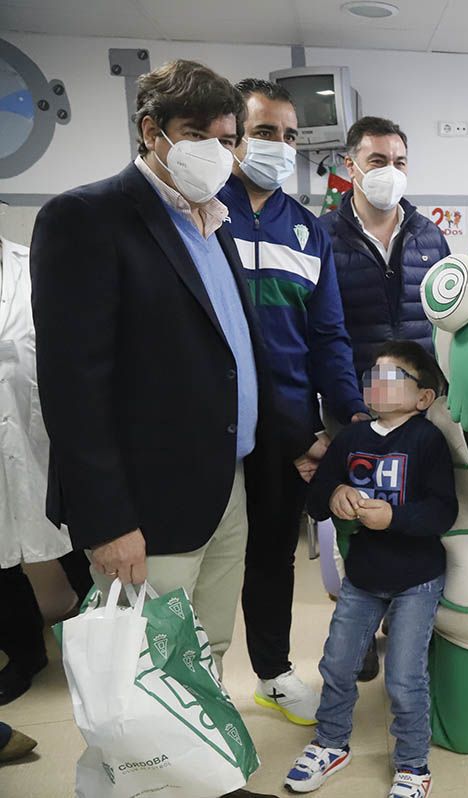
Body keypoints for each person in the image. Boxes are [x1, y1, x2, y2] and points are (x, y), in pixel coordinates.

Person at [30, 60, 310, 798]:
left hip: (229, 483)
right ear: (152, 132)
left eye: (226, 138)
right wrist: (108, 521)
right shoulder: (86, 218)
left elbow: (228, 355)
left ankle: (202, 778)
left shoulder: (210, 220)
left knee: (204, 653)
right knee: (142, 672)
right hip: (148, 510)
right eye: (197, 136)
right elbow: (72, 386)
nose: (217, 153)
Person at [219, 77, 371, 726]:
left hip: (286, 430)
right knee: (205, 563)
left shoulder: (307, 232)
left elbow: (328, 337)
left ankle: (273, 672)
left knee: (273, 553)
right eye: (263, 132)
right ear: (232, 137)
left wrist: (349, 420)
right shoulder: (201, 215)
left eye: (287, 135)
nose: (278, 146)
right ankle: (190, 684)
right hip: (210, 430)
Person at [285, 341, 457, 798]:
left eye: (393, 376)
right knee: (337, 663)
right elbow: (317, 498)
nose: (377, 383)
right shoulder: (351, 438)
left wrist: (394, 518)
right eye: (372, 374)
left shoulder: (428, 440)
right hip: (362, 577)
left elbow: (443, 511)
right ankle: (330, 742)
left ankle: (413, 764)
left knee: (404, 675)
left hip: (417, 579)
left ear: (423, 397)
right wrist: (337, 492)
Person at [0, 234, 95, 705]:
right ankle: (24, 652)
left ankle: (109, 637)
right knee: (1, 558)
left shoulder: (31, 264)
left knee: (74, 533)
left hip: (43, 430)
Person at [321, 117, 449, 366]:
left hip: (421, 391)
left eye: (399, 163)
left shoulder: (429, 236)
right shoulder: (323, 236)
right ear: (350, 165)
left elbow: (447, 319)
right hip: (354, 391)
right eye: (378, 162)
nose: (391, 171)